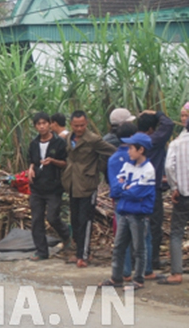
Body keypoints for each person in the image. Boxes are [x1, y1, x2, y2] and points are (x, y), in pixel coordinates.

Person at [99, 133, 155, 291]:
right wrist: (127, 187)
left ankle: (138, 279)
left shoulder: (148, 170)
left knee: (139, 248)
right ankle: (116, 277)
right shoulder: (128, 165)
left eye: (131, 148)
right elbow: (116, 187)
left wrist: (126, 187)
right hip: (124, 211)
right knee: (119, 246)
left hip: (137, 213)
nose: (128, 151)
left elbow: (137, 192)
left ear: (141, 149)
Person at [62, 111, 116, 268]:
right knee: (75, 220)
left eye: (82, 125)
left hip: (87, 184)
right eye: (76, 125)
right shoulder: (68, 138)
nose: (79, 129)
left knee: (85, 221)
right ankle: (79, 251)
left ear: (87, 124)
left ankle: (83, 256)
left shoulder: (93, 140)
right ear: (71, 125)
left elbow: (112, 151)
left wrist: (98, 168)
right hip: (72, 183)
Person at [27, 112, 70, 261]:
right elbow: (32, 160)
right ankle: (41, 251)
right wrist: (31, 168)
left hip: (54, 187)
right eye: (38, 124)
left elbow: (66, 163)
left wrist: (53, 161)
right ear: (35, 126)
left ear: (50, 124)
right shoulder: (33, 144)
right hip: (37, 188)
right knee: (36, 220)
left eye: (44, 123)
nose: (42, 126)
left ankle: (66, 236)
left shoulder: (59, 143)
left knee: (52, 217)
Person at [138, 110, 174, 270]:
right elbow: (169, 124)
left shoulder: (134, 141)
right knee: (154, 225)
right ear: (151, 129)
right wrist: (157, 113)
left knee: (137, 224)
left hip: (136, 190)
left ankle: (136, 259)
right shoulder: (153, 140)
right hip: (152, 190)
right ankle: (152, 261)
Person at [160, 118, 189, 285]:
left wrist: (174, 187)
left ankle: (176, 273)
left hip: (184, 195)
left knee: (177, 233)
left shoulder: (177, 144)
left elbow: (169, 167)